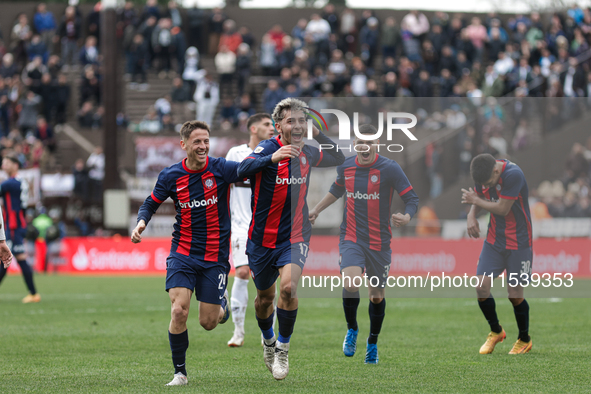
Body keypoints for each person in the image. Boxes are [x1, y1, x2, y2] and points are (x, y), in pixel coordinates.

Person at [237, 98, 345, 380]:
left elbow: (338, 157)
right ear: (278, 126)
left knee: (288, 289)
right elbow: (241, 171)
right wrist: (271, 158)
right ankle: (269, 341)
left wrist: (318, 133)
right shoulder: (267, 148)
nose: (297, 126)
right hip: (262, 241)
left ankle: (282, 349)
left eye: (301, 121)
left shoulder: (307, 152)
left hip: (295, 236)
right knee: (264, 299)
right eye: (291, 121)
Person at [131, 120, 241, 386]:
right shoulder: (171, 175)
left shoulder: (221, 169)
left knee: (209, 323)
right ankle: (180, 373)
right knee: (179, 311)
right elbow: (151, 202)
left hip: (215, 256)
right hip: (182, 252)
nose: (203, 146)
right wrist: (141, 221)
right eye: (197, 142)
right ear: (184, 145)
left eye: (206, 141)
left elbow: (250, 170)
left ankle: (222, 306)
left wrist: (273, 155)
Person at [308, 124, 419, 365]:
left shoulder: (390, 168)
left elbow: (411, 198)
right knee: (350, 281)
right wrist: (315, 209)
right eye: (360, 141)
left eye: (369, 142)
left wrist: (407, 216)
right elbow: (336, 190)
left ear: (376, 144)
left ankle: (372, 343)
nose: (364, 146)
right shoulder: (346, 166)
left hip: (379, 242)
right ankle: (352, 329)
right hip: (351, 237)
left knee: (377, 297)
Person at [461, 154, 533, 355]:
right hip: (494, 240)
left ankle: (524, 339)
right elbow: (479, 195)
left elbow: (502, 208)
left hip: (519, 242)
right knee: (481, 286)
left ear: (496, 170)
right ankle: (496, 331)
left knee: (515, 296)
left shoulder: (513, 175)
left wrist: (476, 201)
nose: (487, 186)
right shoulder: (482, 173)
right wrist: (471, 215)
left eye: (490, 182)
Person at [225, 113, 275, 347]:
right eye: (267, 124)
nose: (272, 128)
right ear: (253, 129)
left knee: (268, 283)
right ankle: (238, 331)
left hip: (267, 226)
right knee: (243, 273)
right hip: (241, 225)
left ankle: (269, 333)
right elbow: (223, 185)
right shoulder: (235, 154)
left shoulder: (276, 153)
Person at [0, 155, 40, 303]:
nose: (3, 164)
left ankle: (34, 293)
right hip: (16, 225)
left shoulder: (11, 183)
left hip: (13, 226)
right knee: (6, 260)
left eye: (7, 162)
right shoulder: (19, 182)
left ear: (15, 165)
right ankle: (33, 293)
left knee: (11, 259)